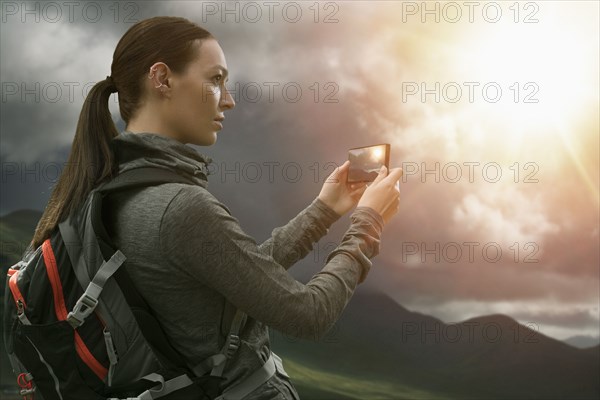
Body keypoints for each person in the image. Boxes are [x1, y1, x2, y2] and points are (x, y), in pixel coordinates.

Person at [30, 16, 403, 400]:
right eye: (215, 79)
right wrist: (367, 224)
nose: (229, 99)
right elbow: (308, 315)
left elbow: (239, 276)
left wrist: (325, 209)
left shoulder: (102, 190)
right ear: (162, 79)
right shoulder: (180, 206)